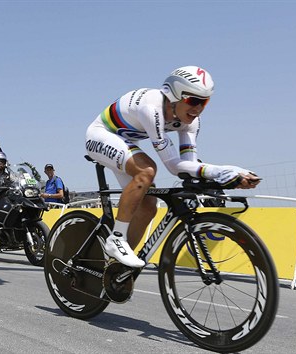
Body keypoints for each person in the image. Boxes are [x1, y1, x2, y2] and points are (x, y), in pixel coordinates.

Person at [85, 65, 261, 268]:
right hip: (101, 134)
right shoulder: (152, 109)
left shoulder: (192, 122)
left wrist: (230, 175)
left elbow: (189, 164)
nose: (198, 108)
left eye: (204, 102)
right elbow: (173, 166)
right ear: (175, 96)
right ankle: (116, 239)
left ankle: (115, 266)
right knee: (146, 170)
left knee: (148, 207)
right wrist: (219, 171)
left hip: (125, 143)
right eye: (192, 101)